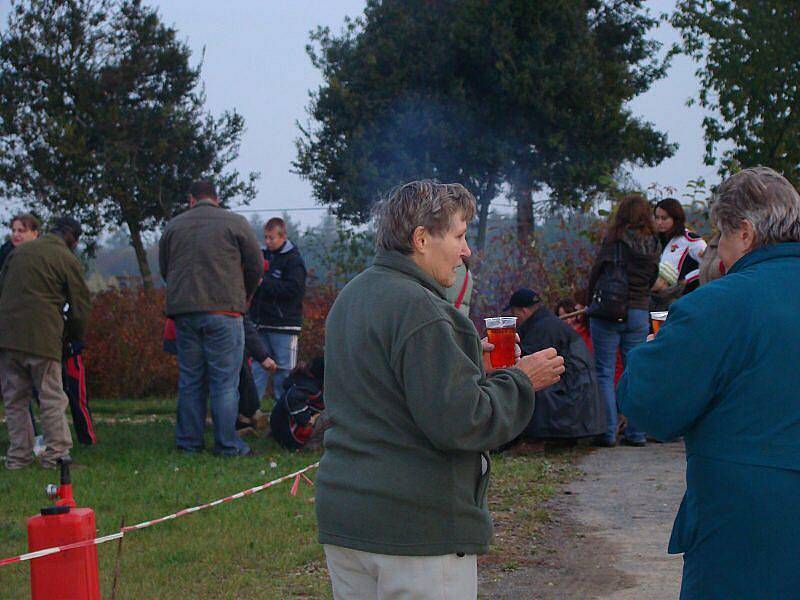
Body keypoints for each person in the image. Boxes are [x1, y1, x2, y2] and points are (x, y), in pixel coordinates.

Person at [316, 180, 565, 599]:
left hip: (347, 520)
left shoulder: (353, 297)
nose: (466, 250)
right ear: (421, 238)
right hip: (415, 531)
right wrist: (522, 380)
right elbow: (462, 422)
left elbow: (389, 391)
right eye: (459, 236)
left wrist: (466, 365)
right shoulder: (425, 310)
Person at [618, 167, 800, 598]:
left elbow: (650, 407)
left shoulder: (718, 305)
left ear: (746, 231)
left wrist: (650, 352)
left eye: (721, 233)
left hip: (745, 529)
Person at [158, 180, 262, 456]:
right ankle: (227, 444)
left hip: (184, 313)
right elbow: (255, 264)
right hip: (224, 311)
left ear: (191, 199)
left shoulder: (174, 226)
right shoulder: (235, 223)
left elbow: (165, 268)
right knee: (224, 382)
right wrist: (245, 295)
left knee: (191, 379)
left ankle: (189, 443)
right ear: (217, 198)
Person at [0, 217, 90, 469]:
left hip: (7, 337)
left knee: (15, 400)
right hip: (43, 336)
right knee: (51, 397)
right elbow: (80, 307)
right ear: (72, 238)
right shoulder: (66, 258)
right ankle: (57, 455)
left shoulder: (18, 253)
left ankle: (18, 457)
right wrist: (73, 338)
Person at [587, 194, 659, 447]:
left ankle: (608, 431)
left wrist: (589, 301)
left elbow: (597, 272)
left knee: (605, 372)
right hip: (639, 310)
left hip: (608, 309)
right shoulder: (653, 242)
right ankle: (637, 432)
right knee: (635, 371)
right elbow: (653, 276)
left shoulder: (615, 240)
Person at [508, 288, 605, 441]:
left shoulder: (542, 329)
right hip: (581, 395)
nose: (514, 318)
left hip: (573, 396)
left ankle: (532, 439)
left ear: (524, 311)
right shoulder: (547, 323)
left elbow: (528, 363)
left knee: (527, 380)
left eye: (514, 313)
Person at [249, 217, 307, 404]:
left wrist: (264, 284)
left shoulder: (293, 261)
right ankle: (251, 411)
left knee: (284, 371)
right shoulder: (260, 256)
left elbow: (294, 290)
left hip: (285, 325)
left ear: (283, 237)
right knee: (258, 368)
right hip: (261, 323)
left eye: (272, 238)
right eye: (265, 237)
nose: (267, 241)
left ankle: (283, 413)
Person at [652, 198, 707, 310]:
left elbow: (707, 265)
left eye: (664, 218)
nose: (659, 222)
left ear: (675, 218)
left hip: (681, 301)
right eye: (657, 218)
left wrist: (686, 279)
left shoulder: (691, 240)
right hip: (655, 300)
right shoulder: (654, 241)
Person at [270, 356, 325, 451]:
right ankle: (311, 445)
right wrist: (316, 416)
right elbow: (306, 421)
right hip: (293, 438)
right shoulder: (308, 390)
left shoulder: (298, 379)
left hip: (282, 430)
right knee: (332, 415)